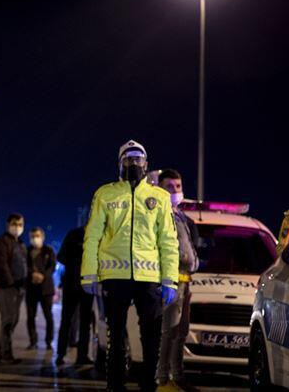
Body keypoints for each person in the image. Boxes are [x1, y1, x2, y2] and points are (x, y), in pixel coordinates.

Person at [81, 140, 179, 392]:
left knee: (151, 340)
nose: (134, 164)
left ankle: (148, 387)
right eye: (128, 159)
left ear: (146, 164)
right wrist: (88, 275)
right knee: (116, 340)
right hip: (115, 277)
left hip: (149, 279)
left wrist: (170, 279)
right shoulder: (105, 194)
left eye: (138, 159)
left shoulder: (159, 197)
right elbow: (92, 236)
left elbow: (168, 240)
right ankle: (115, 387)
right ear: (120, 163)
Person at [156, 169, 199, 391]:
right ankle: (163, 378)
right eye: (169, 187)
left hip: (186, 281)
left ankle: (177, 375)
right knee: (169, 331)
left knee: (181, 332)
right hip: (170, 281)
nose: (175, 191)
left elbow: (191, 247)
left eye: (178, 186)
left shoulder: (182, 216)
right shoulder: (158, 215)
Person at [0, 213, 28, 364]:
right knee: (8, 319)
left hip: (19, 287)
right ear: (8, 225)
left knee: (14, 319)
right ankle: (6, 354)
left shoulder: (20, 243)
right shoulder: (2, 242)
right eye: (14, 224)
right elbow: (2, 265)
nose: (17, 227)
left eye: (20, 224)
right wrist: (12, 283)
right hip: (6, 286)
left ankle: (2, 352)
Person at [55, 226, 94, 366]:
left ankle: (72, 356)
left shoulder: (76, 233)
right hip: (79, 284)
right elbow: (61, 257)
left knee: (78, 321)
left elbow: (61, 257)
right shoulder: (75, 234)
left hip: (81, 285)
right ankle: (65, 355)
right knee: (72, 321)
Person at [25, 227, 56, 350]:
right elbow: (23, 265)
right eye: (32, 236)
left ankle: (49, 341)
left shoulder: (49, 250)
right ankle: (33, 341)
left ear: (42, 237)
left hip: (46, 288)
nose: (35, 239)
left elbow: (52, 266)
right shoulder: (26, 251)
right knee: (30, 316)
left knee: (48, 316)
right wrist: (32, 274)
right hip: (31, 287)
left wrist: (43, 275)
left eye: (37, 236)